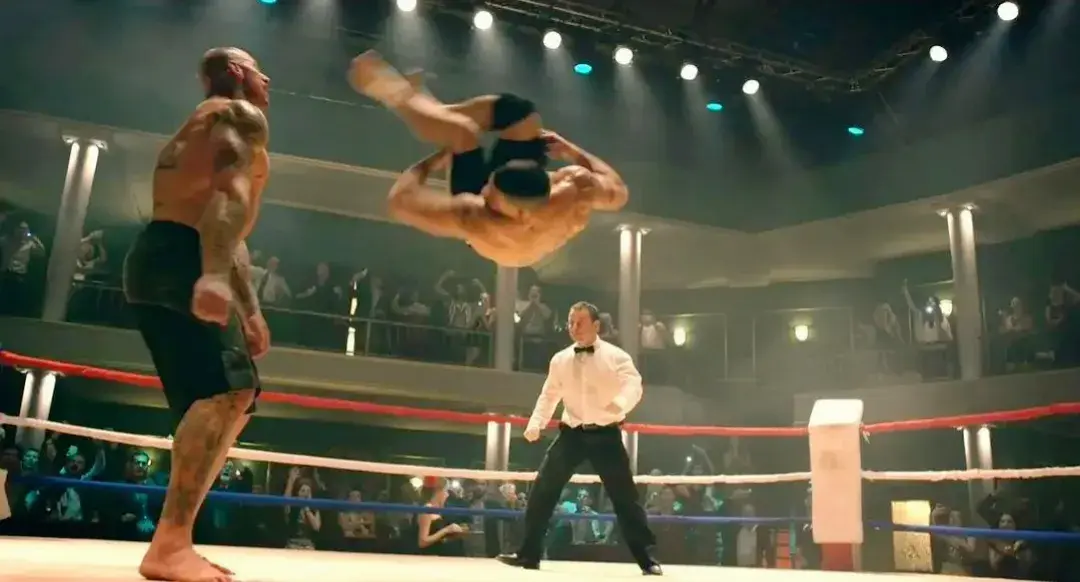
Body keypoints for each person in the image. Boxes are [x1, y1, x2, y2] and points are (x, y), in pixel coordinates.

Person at [122, 46, 271, 582]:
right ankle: (169, 545)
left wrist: (249, 310)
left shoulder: (201, 123)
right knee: (223, 393)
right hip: (184, 256)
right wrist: (210, 275)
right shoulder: (237, 115)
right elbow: (229, 196)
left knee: (233, 395)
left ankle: (175, 541)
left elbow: (226, 222)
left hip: (170, 254)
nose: (267, 81)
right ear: (235, 73)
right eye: (258, 72)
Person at [348, 51, 629, 267]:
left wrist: (432, 162)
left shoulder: (475, 216)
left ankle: (399, 97)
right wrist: (572, 150)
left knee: (461, 133)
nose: (484, 190)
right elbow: (618, 190)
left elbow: (400, 201)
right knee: (522, 115)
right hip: (527, 202)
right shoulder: (574, 189)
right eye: (489, 186)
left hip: (499, 241)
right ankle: (434, 113)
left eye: (490, 193)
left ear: (514, 210)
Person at [496, 301, 661, 575]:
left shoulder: (616, 357)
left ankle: (647, 559)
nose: (574, 327)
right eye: (570, 322)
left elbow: (634, 384)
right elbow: (549, 394)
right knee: (542, 490)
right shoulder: (560, 359)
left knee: (625, 497)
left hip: (606, 434)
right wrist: (536, 423)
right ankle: (528, 554)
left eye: (580, 322)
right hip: (571, 433)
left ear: (596, 325)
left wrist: (620, 403)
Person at [410, 477, 468, 556]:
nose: (447, 494)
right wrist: (447, 530)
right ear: (438, 492)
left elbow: (438, 536)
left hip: (442, 554)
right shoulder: (427, 510)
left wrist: (455, 532)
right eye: (445, 491)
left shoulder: (438, 511)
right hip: (431, 556)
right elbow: (422, 541)